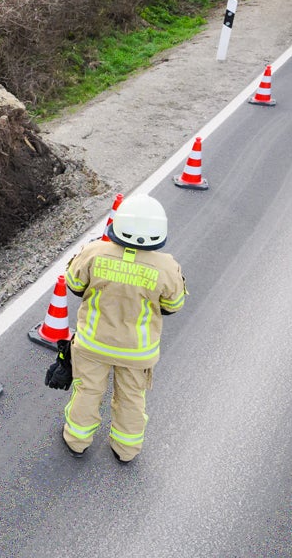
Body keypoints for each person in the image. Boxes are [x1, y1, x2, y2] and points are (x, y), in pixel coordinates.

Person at [61, 194, 187, 462]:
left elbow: (73, 283)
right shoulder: (167, 267)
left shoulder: (95, 252)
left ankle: (77, 441)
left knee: (87, 391)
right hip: (137, 352)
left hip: (93, 344)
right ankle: (126, 450)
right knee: (131, 398)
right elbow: (174, 304)